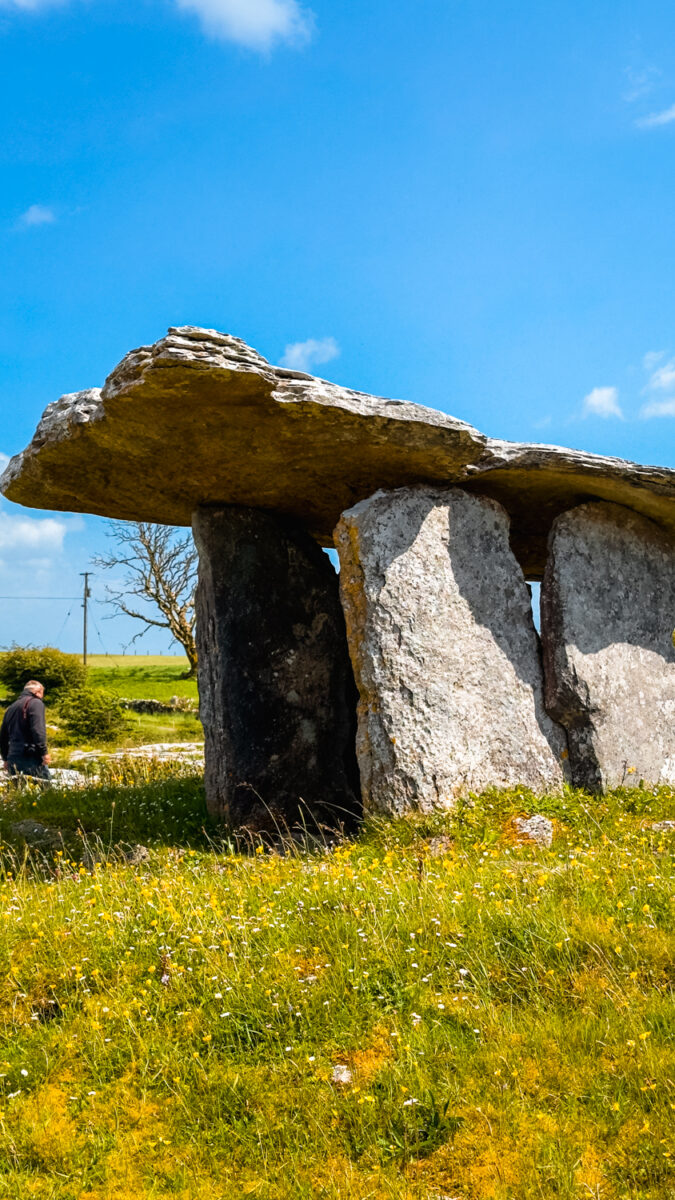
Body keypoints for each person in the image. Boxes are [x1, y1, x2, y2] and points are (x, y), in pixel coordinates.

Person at [0, 679, 52, 782]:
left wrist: (5, 758)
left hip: (13, 757)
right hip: (30, 757)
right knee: (46, 790)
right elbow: (38, 729)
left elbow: (3, 736)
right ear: (38, 692)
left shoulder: (11, 707)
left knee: (17, 794)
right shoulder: (35, 703)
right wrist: (44, 752)